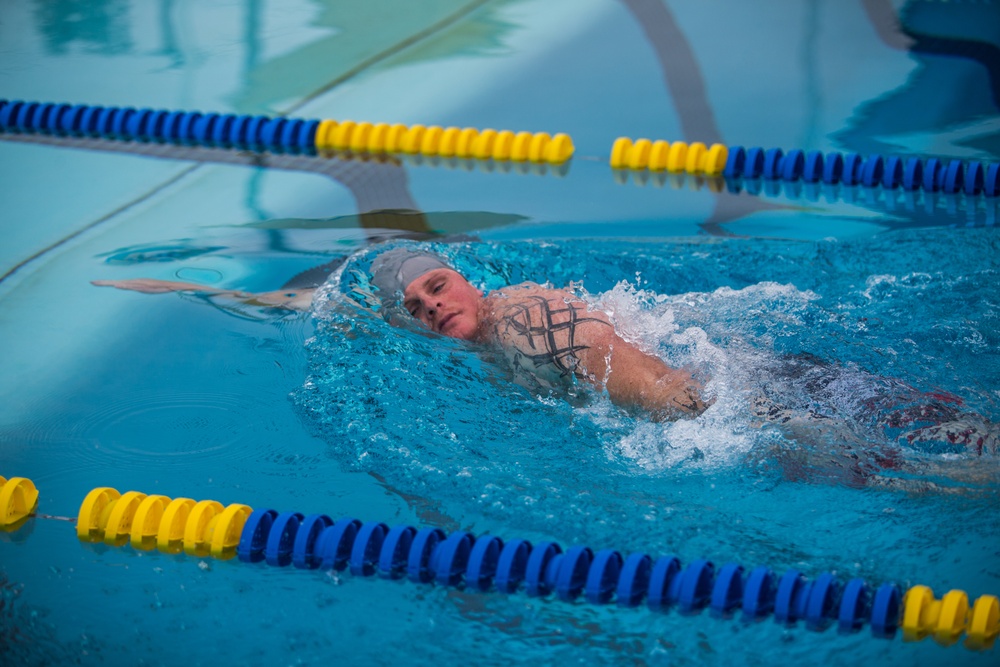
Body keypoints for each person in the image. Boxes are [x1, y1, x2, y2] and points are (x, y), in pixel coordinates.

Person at [93, 247, 712, 421]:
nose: (433, 307)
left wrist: (719, 424)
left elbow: (630, 369)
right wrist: (186, 290)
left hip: (734, 395)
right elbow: (318, 307)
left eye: (438, 287)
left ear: (466, 280)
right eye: (417, 307)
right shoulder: (468, 333)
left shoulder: (522, 316)